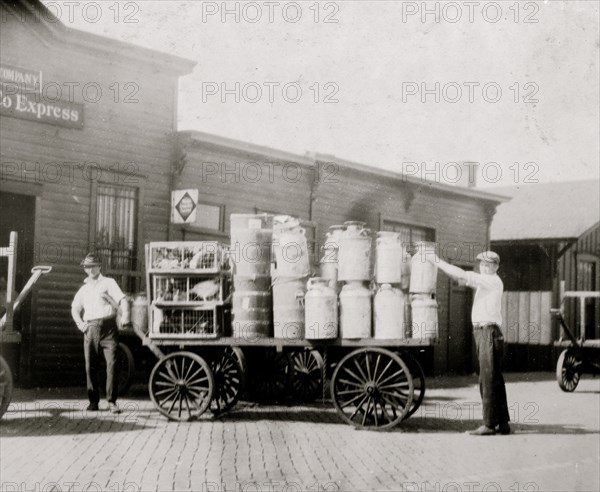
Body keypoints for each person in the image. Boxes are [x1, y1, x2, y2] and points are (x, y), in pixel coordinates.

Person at [430, 250, 510, 436]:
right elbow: (462, 279)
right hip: (487, 332)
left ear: (496, 267)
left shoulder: (491, 281)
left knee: (487, 380)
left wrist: (435, 261)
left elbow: (462, 275)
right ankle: (503, 423)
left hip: (488, 332)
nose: (484, 267)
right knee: (494, 379)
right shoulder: (487, 283)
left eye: (488, 265)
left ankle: (489, 425)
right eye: (481, 264)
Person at [71, 253, 131, 413]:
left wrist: (125, 315)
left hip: (109, 328)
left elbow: (122, 299)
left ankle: (111, 401)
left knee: (112, 364)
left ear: (99, 266)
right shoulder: (83, 289)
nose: (90, 269)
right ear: (84, 269)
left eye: (93, 266)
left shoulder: (108, 282)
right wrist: (80, 324)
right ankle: (93, 402)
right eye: (87, 267)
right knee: (90, 366)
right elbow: (75, 308)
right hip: (90, 329)